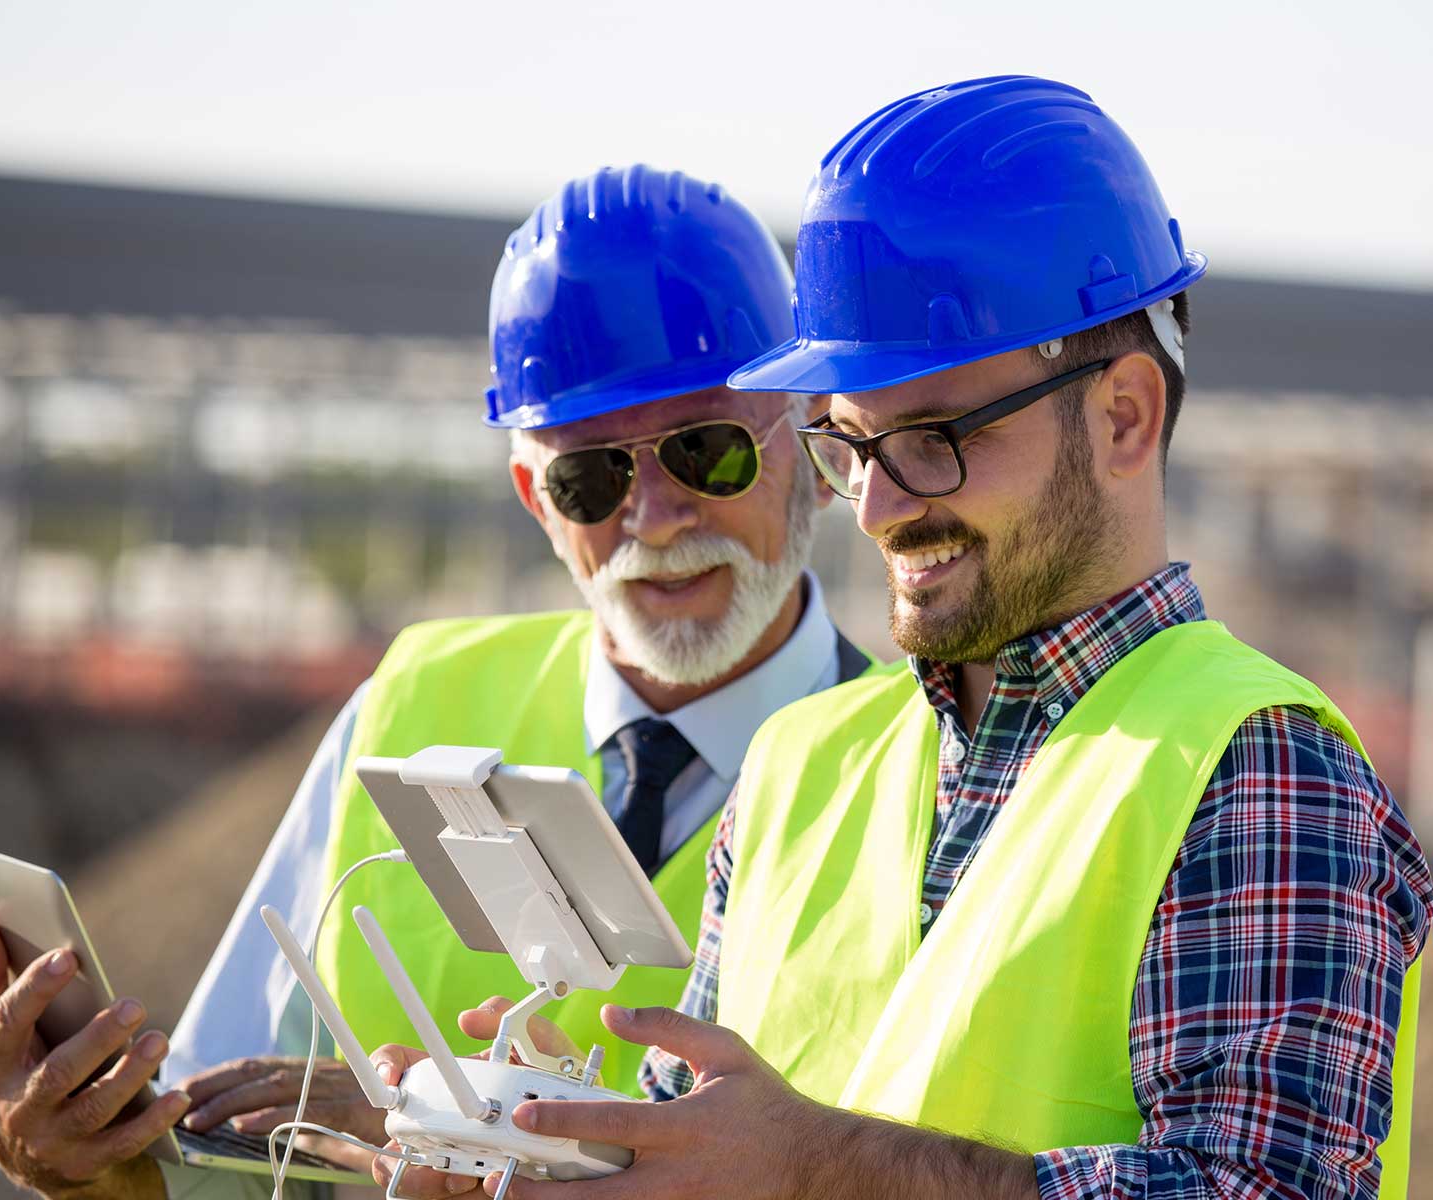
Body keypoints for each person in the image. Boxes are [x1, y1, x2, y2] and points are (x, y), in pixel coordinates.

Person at [372, 77, 1432, 1200]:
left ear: (1125, 415)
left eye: (931, 438)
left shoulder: (1253, 765)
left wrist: (825, 1171)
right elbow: (717, 1152)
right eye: (848, 445)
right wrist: (568, 1136)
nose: (876, 509)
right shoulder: (796, 766)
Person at [0, 163, 874, 1200]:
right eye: (593, 477)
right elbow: (219, 1149)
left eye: (707, 453)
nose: (656, 519)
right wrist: (95, 1169)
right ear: (536, 497)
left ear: (808, 444)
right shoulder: (407, 705)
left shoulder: (920, 769)